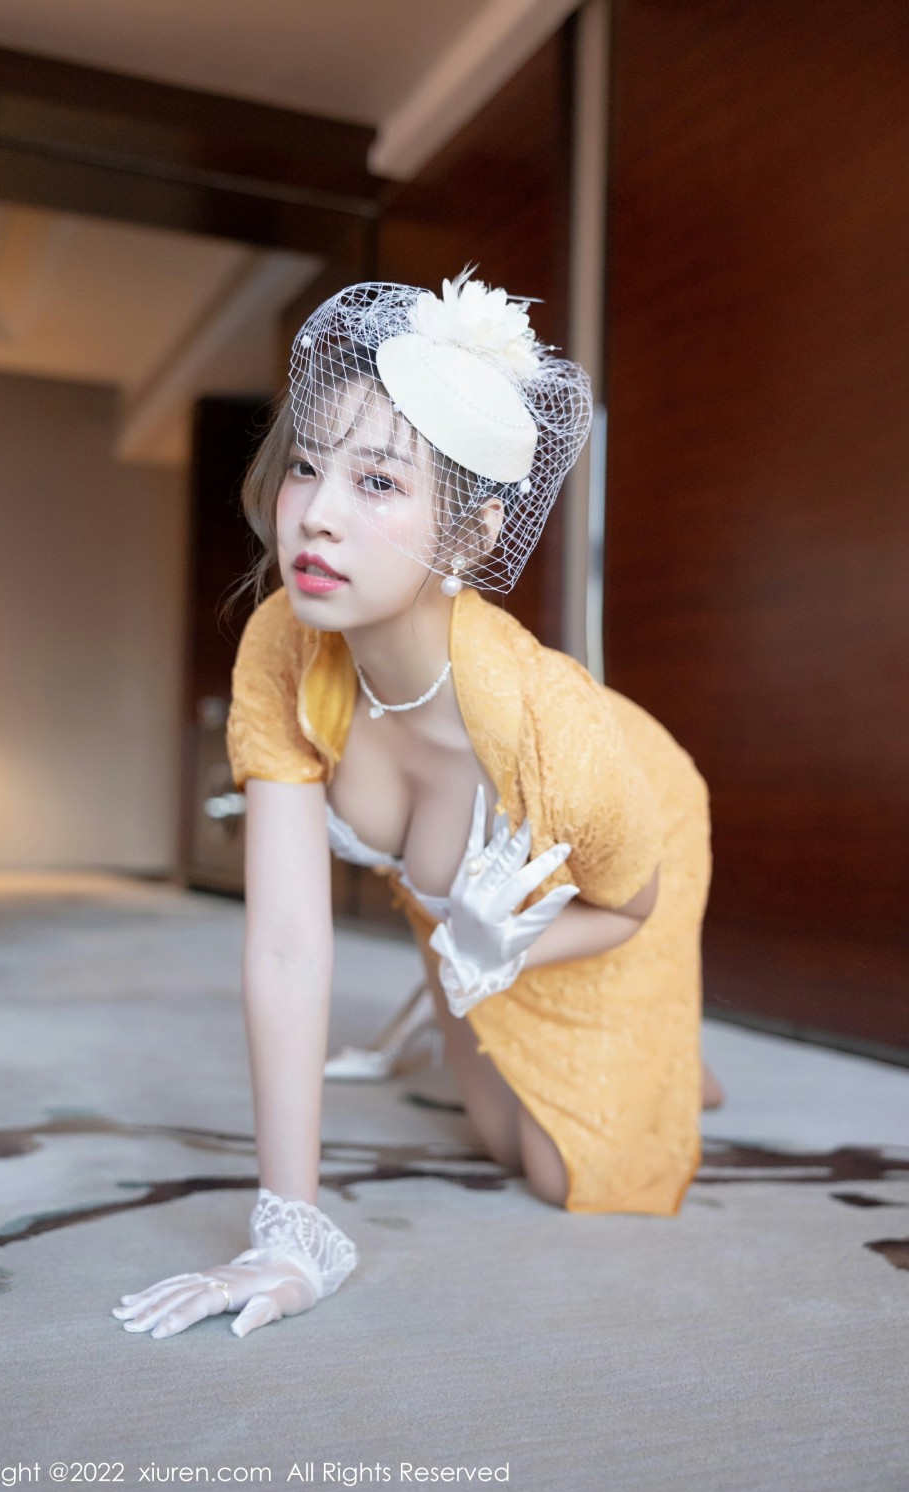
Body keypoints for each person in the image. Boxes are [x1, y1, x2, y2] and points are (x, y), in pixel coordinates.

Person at [112, 270, 713, 1343]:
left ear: (472, 535)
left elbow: (630, 905)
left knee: (563, 1174)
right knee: (495, 1127)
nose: (316, 515)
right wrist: (289, 1232)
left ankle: (672, 1060)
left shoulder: (555, 733)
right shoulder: (283, 647)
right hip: (468, 907)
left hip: (631, 850)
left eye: (378, 482)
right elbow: (287, 944)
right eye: (307, 466)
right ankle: (580, 1033)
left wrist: (506, 949)